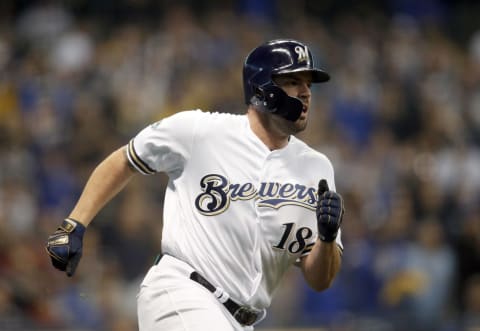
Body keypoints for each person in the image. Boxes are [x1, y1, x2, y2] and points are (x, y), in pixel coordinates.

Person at [46, 39, 345, 331]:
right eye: (293, 82)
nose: (306, 92)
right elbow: (125, 159)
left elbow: (319, 279)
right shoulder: (200, 131)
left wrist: (327, 238)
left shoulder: (316, 168)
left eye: (309, 84)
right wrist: (74, 223)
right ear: (261, 89)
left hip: (242, 320)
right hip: (183, 292)